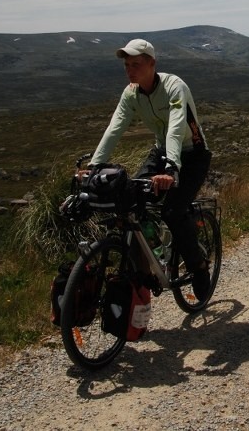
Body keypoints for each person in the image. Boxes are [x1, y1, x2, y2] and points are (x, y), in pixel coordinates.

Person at [89, 38, 212, 299]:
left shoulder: (173, 86)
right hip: (162, 152)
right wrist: (95, 165)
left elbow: (177, 126)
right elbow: (115, 127)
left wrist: (171, 168)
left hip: (193, 156)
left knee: (173, 210)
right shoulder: (131, 93)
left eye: (136, 64)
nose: (130, 71)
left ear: (152, 64)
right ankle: (144, 272)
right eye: (126, 65)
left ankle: (198, 267)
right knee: (131, 202)